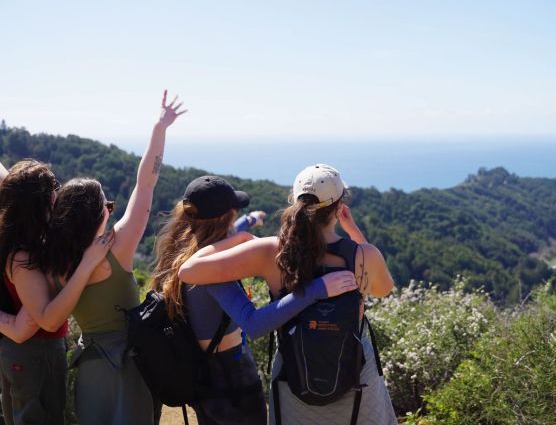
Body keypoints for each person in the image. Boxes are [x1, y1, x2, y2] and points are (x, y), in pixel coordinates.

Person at [179, 164, 398, 425]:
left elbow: (188, 270)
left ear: (295, 202)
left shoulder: (273, 252)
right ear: (340, 206)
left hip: (295, 380)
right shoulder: (364, 255)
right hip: (358, 383)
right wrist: (353, 232)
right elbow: (383, 289)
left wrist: (239, 237)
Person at [151, 175, 358, 425]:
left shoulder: (183, 250)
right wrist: (316, 289)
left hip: (205, 375)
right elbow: (254, 324)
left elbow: (221, 241)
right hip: (230, 379)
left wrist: (247, 223)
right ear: (226, 217)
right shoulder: (214, 273)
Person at [38, 91, 185, 425]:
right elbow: (146, 183)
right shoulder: (118, 246)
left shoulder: (53, 258)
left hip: (89, 364)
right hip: (130, 364)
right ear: (97, 214)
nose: (110, 208)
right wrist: (160, 128)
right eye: (106, 204)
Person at [0, 159, 112, 425]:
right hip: (34, 353)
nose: (58, 192)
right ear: (39, 200)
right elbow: (47, 319)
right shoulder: (23, 256)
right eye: (53, 186)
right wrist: (86, 265)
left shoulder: (29, 241)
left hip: (28, 352)